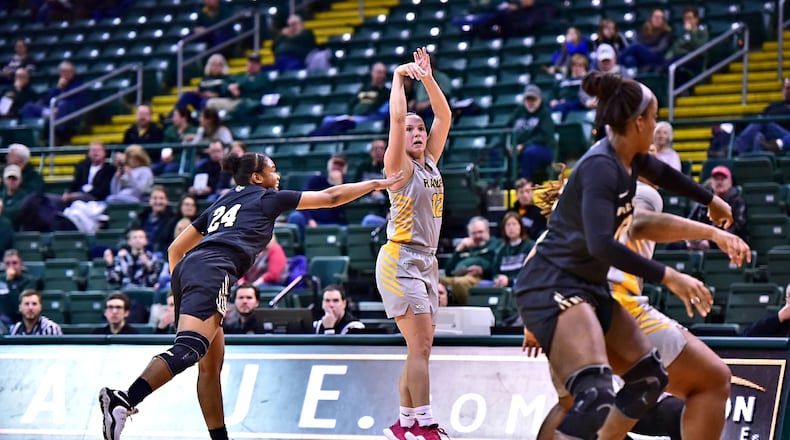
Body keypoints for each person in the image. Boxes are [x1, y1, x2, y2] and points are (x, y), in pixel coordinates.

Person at [98, 149, 404, 440]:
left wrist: (182, 292)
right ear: (257, 178)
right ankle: (124, 399)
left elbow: (175, 249)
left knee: (209, 367)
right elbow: (331, 196)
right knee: (189, 350)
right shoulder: (267, 198)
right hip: (214, 270)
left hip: (192, 269)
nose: (278, 175)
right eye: (273, 170)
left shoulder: (221, 203)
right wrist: (378, 183)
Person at [512, 71, 734, 440]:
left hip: (588, 285)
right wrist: (670, 276)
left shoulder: (627, 157)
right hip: (552, 285)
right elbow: (602, 244)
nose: (658, 126)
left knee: (649, 379)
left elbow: (663, 173)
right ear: (639, 122)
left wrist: (711, 200)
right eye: (656, 116)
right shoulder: (601, 167)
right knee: (594, 396)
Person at [374, 47, 452, 440]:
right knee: (420, 346)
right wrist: (399, 79)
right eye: (412, 130)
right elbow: (398, 116)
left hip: (425, 260)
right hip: (400, 258)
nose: (418, 133)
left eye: (421, 130)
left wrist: (428, 78)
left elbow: (445, 115)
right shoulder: (398, 165)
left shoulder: (430, 161)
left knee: (418, 349)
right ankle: (423, 424)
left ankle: (404, 425)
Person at [670, 165, 748, 250]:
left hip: (723, 241)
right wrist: (690, 241)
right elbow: (690, 221)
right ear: (711, 182)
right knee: (673, 245)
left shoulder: (737, 202)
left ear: (730, 182)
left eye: (723, 179)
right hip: (701, 240)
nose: (719, 182)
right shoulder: (704, 201)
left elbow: (738, 227)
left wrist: (711, 241)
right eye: (716, 179)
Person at [309, 62, 390, 136]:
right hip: (352, 116)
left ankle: (312, 138)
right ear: (372, 73)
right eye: (379, 72)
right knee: (327, 119)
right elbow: (352, 103)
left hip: (366, 118)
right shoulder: (365, 89)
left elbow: (378, 112)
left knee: (339, 124)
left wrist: (356, 117)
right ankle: (312, 137)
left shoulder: (385, 92)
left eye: (383, 73)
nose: (381, 75)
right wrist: (349, 115)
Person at [20, 60, 87, 144]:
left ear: (73, 72)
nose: (65, 73)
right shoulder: (57, 85)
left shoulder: (78, 84)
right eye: (63, 71)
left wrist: (58, 107)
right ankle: (28, 134)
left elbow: (79, 102)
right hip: (52, 110)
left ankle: (56, 136)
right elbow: (47, 100)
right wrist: (58, 88)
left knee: (62, 105)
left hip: (68, 112)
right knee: (29, 106)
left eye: (68, 71)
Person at [439, 216, 501, 305]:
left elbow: (497, 266)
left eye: (480, 232)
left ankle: (469, 311)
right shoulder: (466, 247)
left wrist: (482, 270)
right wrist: (458, 250)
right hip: (460, 276)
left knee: (460, 282)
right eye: (474, 233)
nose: (477, 236)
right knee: (435, 280)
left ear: (488, 230)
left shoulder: (496, 244)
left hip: (479, 277)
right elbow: (448, 271)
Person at [287, 153, 350, 237]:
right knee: (295, 216)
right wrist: (309, 220)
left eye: (341, 165)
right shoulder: (316, 180)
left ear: (345, 168)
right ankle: (299, 247)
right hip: (313, 221)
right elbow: (302, 201)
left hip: (335, 222)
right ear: (329, 164)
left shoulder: (347, 186)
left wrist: (338, 186)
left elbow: (343, 212)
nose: (337, 167)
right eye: (335, 163)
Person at [506, 84, 556, 180]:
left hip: (544, 149)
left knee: (530, 152)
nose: (530, 102)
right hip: (518, 147)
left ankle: (525, 183)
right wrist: (509, 146)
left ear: (540, 100)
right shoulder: (518, 112)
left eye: (533, 99)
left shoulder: (545, 114)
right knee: (497, 151)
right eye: (528, 100)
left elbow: (544, 137)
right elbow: (507, 130)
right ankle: (499, 187)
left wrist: (523, 146)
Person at [733, 77, 790, 155]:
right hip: (770, 134)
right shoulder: (774, 105)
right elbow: (761, 115)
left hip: (787, 136)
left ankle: (735, 148)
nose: (788, 91)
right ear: (782, 90)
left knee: (762, 120)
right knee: (758, 135)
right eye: (786, 88)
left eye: (789, 88)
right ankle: (757, 165)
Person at [619, 8, 673, 73]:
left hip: (657, 58)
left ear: (663, 20)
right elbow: (638, 42)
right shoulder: (645, 31)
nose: (657, 19)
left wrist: (644, 51)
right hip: (642, 57)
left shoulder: (666, 33)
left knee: (636, 46)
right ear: (651, 18)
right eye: (655, 17)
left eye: (660, 17)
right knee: (630, 60)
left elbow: (661, 48)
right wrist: (642, 52)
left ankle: (617, 59)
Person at [63, 140, 116, 205]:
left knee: (78, 199)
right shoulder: (82, 166)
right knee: (51, 199)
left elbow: (104, 190)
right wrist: (67, 193)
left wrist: (77, 195)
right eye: (93, 150)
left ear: (104, 153)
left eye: (98, 150)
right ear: (88, 153)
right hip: (78, 195)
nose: (95, 152)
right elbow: (74, 184)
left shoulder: (109, 169)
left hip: (96, 199)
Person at [492, 211, 534, 288]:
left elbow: (531, 272)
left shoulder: (530, 247)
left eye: (514, 224)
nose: (511, 228)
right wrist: (498, 279)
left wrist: (509, 281)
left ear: (520, 226)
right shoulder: (501, 250)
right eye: (508, 225)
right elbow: (495, 273)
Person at [550, 54, 596, 120]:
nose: (577, 68)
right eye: (574, 65)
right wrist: (553, 100)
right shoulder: (563, 80)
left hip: (578, 104)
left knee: (561, 107)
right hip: (562, 104)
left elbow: (582, 95)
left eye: (580, 65)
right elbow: (554, 92)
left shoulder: (586, 80)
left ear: (585, 67)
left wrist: (565, 100)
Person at [132, 186, 175, 254]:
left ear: (166, 200)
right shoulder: (140, 217)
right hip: (139, 254)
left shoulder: (173, 220)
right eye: (155, 198)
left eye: (161, 198)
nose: (158, 201)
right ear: (150, 200)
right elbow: (126, 237)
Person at [0, 249, 36, 327]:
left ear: (21, 264)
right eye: (7, 264)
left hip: (18, 321)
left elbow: (19, 306)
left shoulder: (28, 281)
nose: (11, 267)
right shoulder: (0, 279)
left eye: (14, 263)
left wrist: (10, 282)